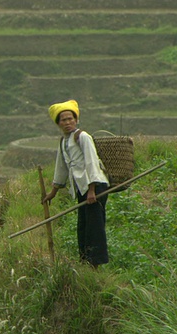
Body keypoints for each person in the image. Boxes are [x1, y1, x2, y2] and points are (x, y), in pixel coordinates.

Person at [41, 100, 110, 269]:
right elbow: (61, 167)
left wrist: (92, 190)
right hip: (82, 189)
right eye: (63, 120)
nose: (67, 122)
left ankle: (95, 265)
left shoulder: (83, 137)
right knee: (83, 226)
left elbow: (91, 163)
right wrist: (53, 192)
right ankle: (85, 261)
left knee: (94, 226)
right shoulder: (64, 141)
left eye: (70, 119)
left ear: (76, 120)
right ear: (58, 124)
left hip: (95, 186)